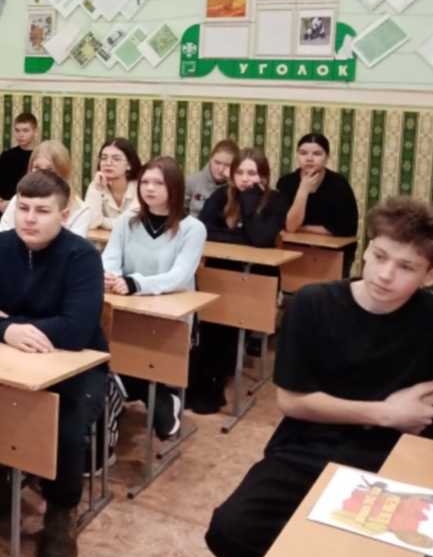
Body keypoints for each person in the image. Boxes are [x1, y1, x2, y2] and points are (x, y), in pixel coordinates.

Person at [205, 197, 433, 557]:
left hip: (396, 454)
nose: (385, 274)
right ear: (367, 250)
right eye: (379, 256)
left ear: (429, 276)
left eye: (406, 267)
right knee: (230, 530)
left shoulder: (429, 318)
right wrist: (387, 413)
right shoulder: (312, 303)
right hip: (311, 444)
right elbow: (292, 402)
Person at [0, 170, 106, 557]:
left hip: (77, 365)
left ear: (63, 215)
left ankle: (61, 511)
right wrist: (5, 330)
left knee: (62, 424)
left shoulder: (82, 256)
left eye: (42, 211)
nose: (29, 218)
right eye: (23, 208)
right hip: (11, 354)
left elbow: (76, 329)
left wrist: (13, 325)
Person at [101, 157, 206, 440]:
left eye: (158, 183)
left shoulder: (192, 228)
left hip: (169, 311)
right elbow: (110, 257)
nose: (149, 188)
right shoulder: (127, 221)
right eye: (145, 182)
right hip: (127, 304)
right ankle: (144, 394)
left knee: (148, 363)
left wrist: (135, 284)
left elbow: (179, 275)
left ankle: (163, 397)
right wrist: (110, 276)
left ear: (174, 187)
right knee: (117, 354)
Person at [191, 148, 288, 413]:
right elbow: (204, 231)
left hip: (257, 276)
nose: (245, 179)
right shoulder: (221, 195)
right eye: (240, 173)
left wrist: (248, 201)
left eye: (252, 173)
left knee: (231, 328)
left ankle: (217, 382)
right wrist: (241, 237)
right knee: (210, 327)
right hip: (220, 271)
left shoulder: (275, 200)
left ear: (263, 176)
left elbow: (261, 238)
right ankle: (201, 382)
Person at [277, 132, 359, 276]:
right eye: (303, 153)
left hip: (333, 252)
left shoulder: (339, 184)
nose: (309, 158)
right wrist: (303, 190)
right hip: (293, 248)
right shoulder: (286, 182)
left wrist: (301, 228)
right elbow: (289, 226)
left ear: (326, 158)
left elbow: (345, 229)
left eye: (317, 154)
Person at [0, 140, 92, 239]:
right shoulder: (18, 200)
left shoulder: (81, 210)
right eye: (37, 168)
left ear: (63, 173)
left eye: (50, 170)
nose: (41, 175)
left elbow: (74, 246)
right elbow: (2, 238)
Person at [0, 112, 38, 219]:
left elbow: (39, 190)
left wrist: (11, 204)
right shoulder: (6, 155)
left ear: (35, 131)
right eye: (17, 130)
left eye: (25, 130)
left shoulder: (39, 157)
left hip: (24, 209)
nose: (20, 135)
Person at [84, 137, 142, 231]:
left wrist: (102, 222)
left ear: (129, 165)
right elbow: (90, 223)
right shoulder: (96, 185)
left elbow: (130, 224)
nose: (108, 163)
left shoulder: (140, 187)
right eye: (104, 158)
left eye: (116, 159)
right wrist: (97, 189)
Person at [186, 139, 239, 218]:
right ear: (210, 159)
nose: (220, 169)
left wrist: (232, 184)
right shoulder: (192, 182)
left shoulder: (238, 188)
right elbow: (178, 213)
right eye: (217, 163)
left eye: (227, 165)